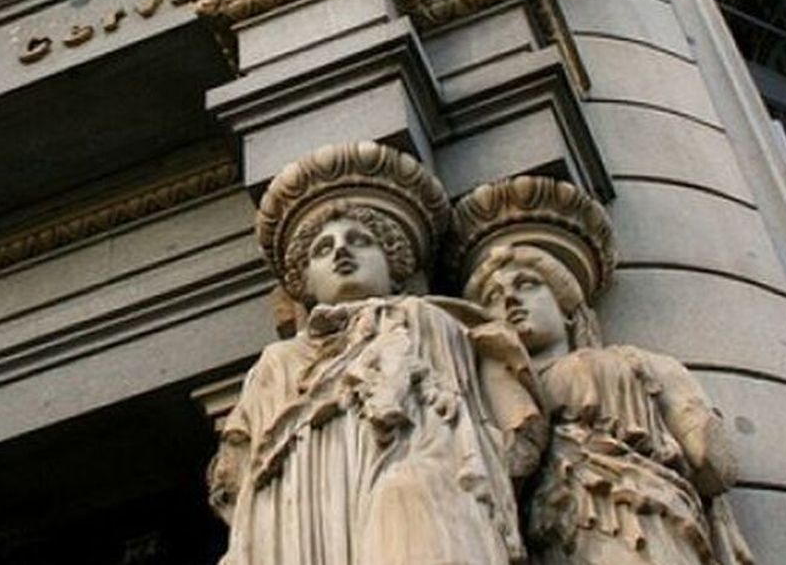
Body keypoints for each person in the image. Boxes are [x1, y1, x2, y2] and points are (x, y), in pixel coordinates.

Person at [208, 142, 543, 565]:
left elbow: (492, 433)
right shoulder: (279, 362)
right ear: (305, 283)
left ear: (393, 264)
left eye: (359, 241)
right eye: (323, 249)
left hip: (413, 498)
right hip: (305, 514)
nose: (341, 252)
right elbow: (242, 482)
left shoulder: (426, 320)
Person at [458, 177, 754, 565]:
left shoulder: (637, 363)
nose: (510, 299)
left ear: (566, 307)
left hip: (650, 513)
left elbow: (713, 463)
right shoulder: (495, 390)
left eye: (527, 285)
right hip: (555, 529)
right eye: (493, 298)